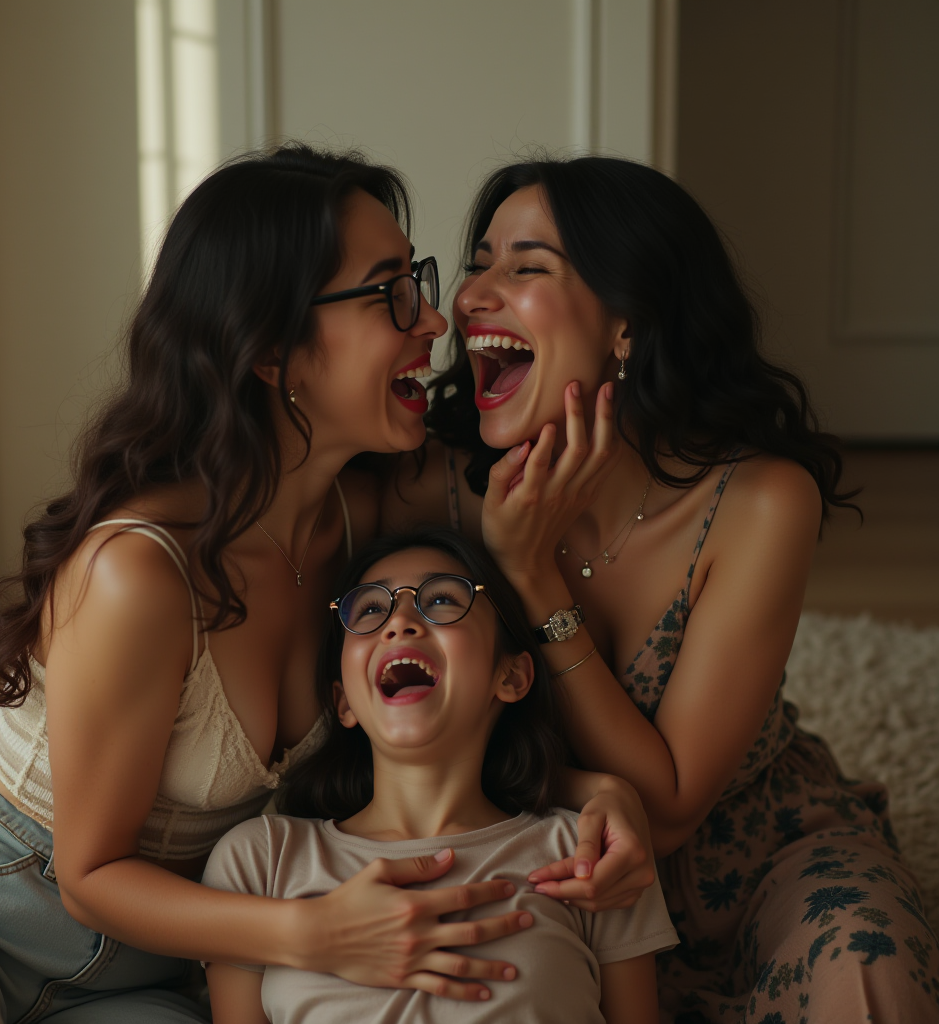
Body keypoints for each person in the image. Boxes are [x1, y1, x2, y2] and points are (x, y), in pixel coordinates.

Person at [0, 145, 654, 1024]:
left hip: (169, 959)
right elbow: (91, 876)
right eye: (390, 294)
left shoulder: (364, 522)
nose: (433, 324)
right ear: (271, 351)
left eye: (414, 282)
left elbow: (444, 719)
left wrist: (597, 792)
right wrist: (319, 938)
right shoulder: (140, 572)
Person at [384, 155, 938, 1022]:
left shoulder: (755, 501)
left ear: (628, 324)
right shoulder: (436, 486)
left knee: (869, 968)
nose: (472, 297)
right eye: (479, 262)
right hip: (537, 868)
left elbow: (671, 808)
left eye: (526, 267)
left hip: (762, 854)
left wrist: (527, 574)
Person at [202, 528, 677, 1023]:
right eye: (369, 609)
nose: (400, 621)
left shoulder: (590, 856)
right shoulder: (262, 861)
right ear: (343, 702)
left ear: (511, 676)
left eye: (443, 599)